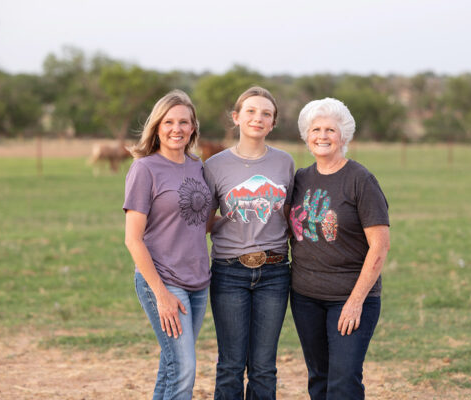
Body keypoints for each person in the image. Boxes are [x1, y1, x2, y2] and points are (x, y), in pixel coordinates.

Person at [289, 98, 390, 400]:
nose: (322, 136)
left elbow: (380, 247)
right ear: (307, 136)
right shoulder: (300, 179)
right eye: (316, 129)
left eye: (330, 129)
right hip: (305, 298)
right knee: (319, 378)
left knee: (344, 382)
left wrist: (355, 301)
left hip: (350, 298)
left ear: (343, 135)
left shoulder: (361, 180)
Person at [204, 87, 295, 400]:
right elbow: (204, 221)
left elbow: (288, 214)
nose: (258, 118)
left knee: (264, 365)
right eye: (251, 111)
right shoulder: (214, 166)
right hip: (229, 272)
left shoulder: (285, 162)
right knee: (230, 364)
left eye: (266, 114)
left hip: (274, 271)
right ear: (236, 117)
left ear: (273, 123)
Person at [123, 90, 212, 400]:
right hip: (163, 280)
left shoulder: (197, 166)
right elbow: (132, 239)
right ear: (157, 126)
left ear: (193, 128)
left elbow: (202, 222)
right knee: (184, 369)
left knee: (172, 364)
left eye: (184, 122)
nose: (177, 129)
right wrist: (160, 293)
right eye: (169, 121)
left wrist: (242, 215)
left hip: (198, 281)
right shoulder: (145, 169)